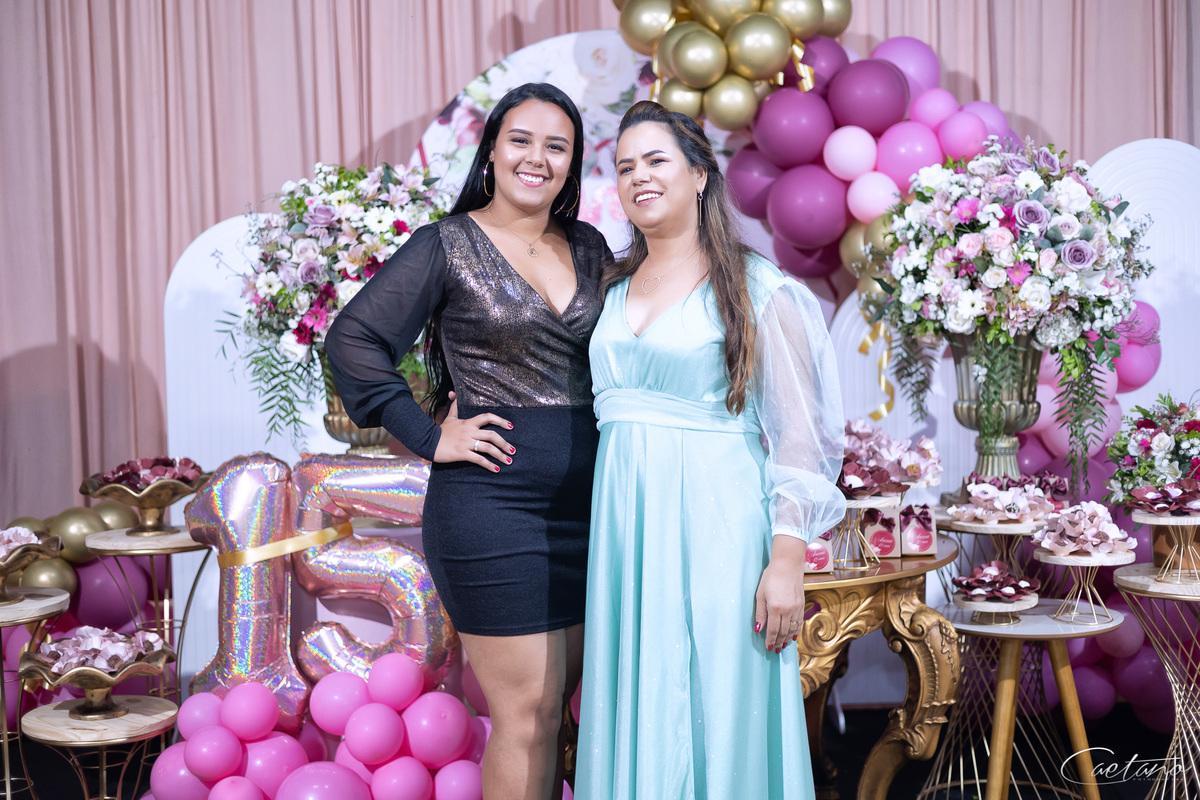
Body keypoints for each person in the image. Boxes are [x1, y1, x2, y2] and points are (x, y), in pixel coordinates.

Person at [325, 82, 612, 800]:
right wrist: (429, 437)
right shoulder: (446, 245)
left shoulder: (588, 246)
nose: (537, 158)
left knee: (557, 713)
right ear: (491, 151)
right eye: (521, 140)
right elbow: (353, 339)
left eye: (557, 146)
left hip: (594, 512)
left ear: (573, 164)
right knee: (526, 714)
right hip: (493, 511)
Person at [574, 101, 847, 800]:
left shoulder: (757, 288)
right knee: (639, 697)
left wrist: (786, 560)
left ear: (699, 174)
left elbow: (800, 437)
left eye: (655, 160)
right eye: (625, 166)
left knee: (720, 703)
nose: (639, 176)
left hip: (719, 529)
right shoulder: (608, 287)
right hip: (627, 533)